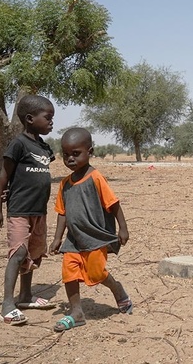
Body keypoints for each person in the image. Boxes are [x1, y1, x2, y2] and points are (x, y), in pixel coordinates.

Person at [49, 128, 132, 331]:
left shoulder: (96, 178)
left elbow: (113, 204)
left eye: (76, 153)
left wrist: (123, 228)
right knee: (69, 272)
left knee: (96, 273)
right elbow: (62, 213)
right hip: (73, 240)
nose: (70, 159)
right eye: (66, 154)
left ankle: (117, 289)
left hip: (95, 237)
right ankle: (76, 312)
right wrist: (57, 238)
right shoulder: (65, 184)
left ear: (90, 152)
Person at [0, 95, 57, 325]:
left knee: (34, 253)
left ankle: (26, 295)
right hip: (19, 209)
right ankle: (8, 304)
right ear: (29, 119)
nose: (52, 122)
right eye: (48, 117)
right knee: (18, 253)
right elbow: (4, 177)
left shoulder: (44, 147)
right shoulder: (18, 144)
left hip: (39, 211)